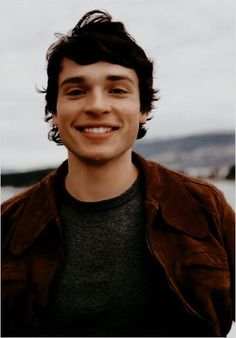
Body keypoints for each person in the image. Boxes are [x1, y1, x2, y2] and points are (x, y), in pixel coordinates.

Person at [1, 9, 234, 337]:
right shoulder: (9, 225)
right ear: (54, 111)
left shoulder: (203, 207)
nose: (97, 105)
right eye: (76, 91)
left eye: (117, 89)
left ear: (143, 110)